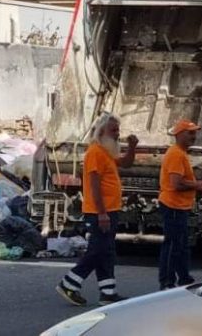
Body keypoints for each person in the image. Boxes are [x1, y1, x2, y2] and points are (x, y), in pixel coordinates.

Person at [57, 113, 138, 306]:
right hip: (99, 211)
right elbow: (93, 185)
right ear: (102, 132)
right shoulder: (95, 152)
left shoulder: (106, 152)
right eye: (113, 130)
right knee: (97, 250)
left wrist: (132, 147)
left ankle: (108, 292)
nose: (117, 134)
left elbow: (126, 163)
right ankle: (69, 283)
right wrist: (102, 213)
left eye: (118, 130)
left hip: (110, 210)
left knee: (106, 252)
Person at [158, 119, 202, 290]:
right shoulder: (176, 154)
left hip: (179, 206)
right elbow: (176, 183)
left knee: (181, 245)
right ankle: (167, 282)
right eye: (190, 133)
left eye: (194, 132)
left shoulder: (180, 153)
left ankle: (184, 278)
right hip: (173, 206)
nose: (194, 136)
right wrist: (197, 185)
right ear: (179, 135)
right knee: (172, 246)